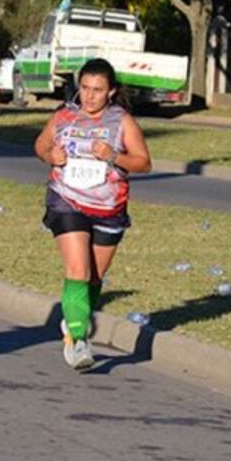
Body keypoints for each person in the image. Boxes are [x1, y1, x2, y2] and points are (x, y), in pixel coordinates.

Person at [34, 58, 151, 372]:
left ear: (110, 91)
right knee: (78, 270)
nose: (89, 96)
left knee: (94, 278)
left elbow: (143, 162)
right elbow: (41, 145)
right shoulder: (64, 116)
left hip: (109, 207)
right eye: (85, 88)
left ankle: (74, 316)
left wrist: (113, 155)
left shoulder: (121, 121)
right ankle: (78, 339)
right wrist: (51, 155)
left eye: (98, 90)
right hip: (66, 200)